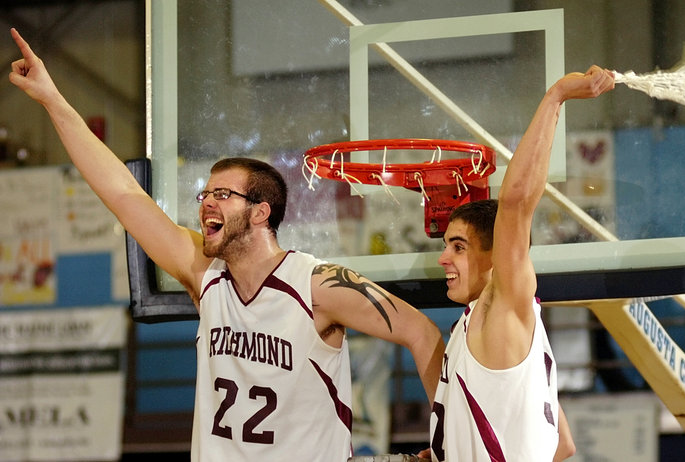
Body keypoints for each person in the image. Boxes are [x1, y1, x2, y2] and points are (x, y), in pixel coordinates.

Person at [8, 28, 444, 462]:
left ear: (260, 212)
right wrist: (52, 99)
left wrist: (448, 441)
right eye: (206, 194)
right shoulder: (206, 276)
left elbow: (421, 333)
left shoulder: (318, 286)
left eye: (222, 195)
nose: (207, 204)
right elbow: (123, 194)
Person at [428, 66, 615, 462]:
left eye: (458, 247)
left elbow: (515, 204)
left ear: (496, 257)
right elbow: (563, 446)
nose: (443, 258)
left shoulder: (504, 308)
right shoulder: (479, 323)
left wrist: (556, 97)